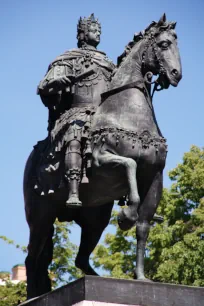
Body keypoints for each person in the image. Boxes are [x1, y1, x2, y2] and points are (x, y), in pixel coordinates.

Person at [37, 14, 115, 207]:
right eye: (93, 30)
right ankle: (73, 191)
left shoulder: (109, 63)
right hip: (76, 113)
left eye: (99, 31)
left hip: (105, 115)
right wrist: (56, 83)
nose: (97, 34)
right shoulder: (69, 59)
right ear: (82, 33)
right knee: (75, 133)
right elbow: (43, 86)